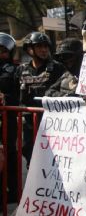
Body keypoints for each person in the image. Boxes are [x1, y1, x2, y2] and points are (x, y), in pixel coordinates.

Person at [15, 32, 66, 166]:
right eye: (39, 46)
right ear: (29, 49)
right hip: (30, 122)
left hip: (52, 121)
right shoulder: (21, 70)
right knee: (30, 154)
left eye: (46, 47)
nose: (43, 50)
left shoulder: (57, 68)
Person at [0, 32, 18, 202]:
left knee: (10, 154)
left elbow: (16, 94)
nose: (0, 54)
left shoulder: (13, 70)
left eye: (3, 51)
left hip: (8, 119)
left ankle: (13, 192)